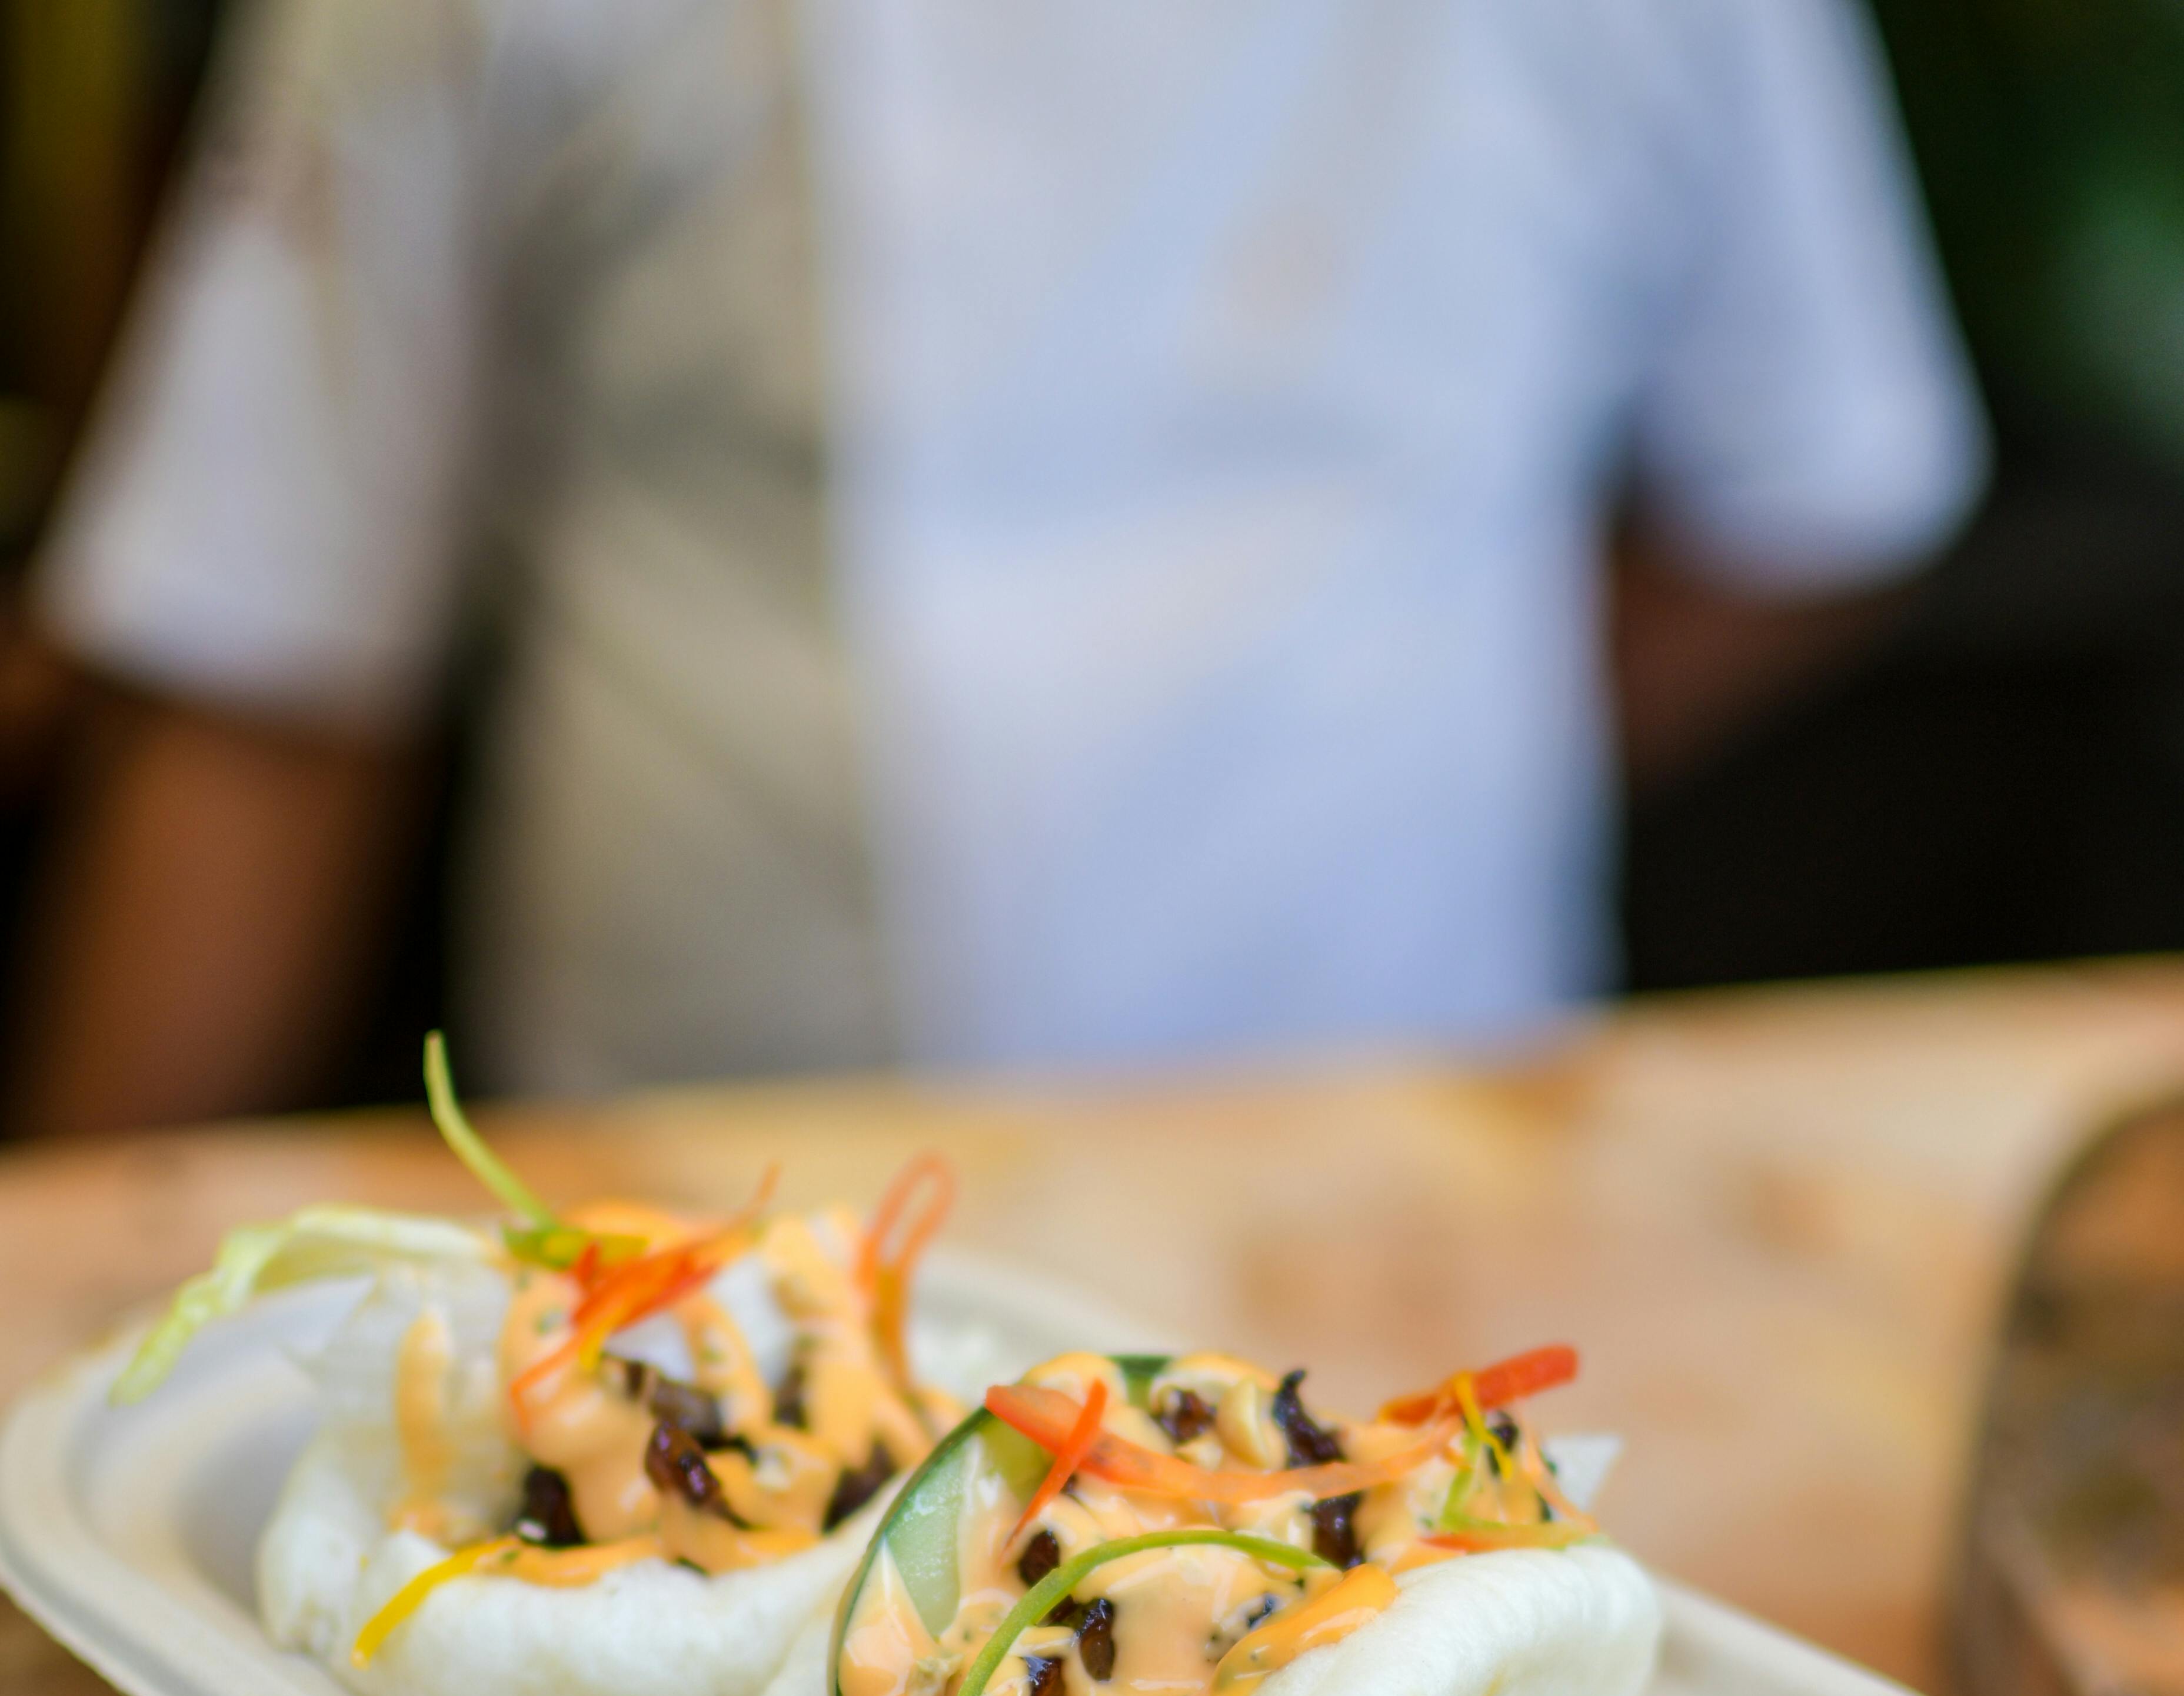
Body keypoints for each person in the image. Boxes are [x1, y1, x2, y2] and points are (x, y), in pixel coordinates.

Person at [12, 0, 1983, 1134]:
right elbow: (273, 646)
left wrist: (1432, 750)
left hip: (1414, 1188)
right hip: (676, 1232)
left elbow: (1817, 475)